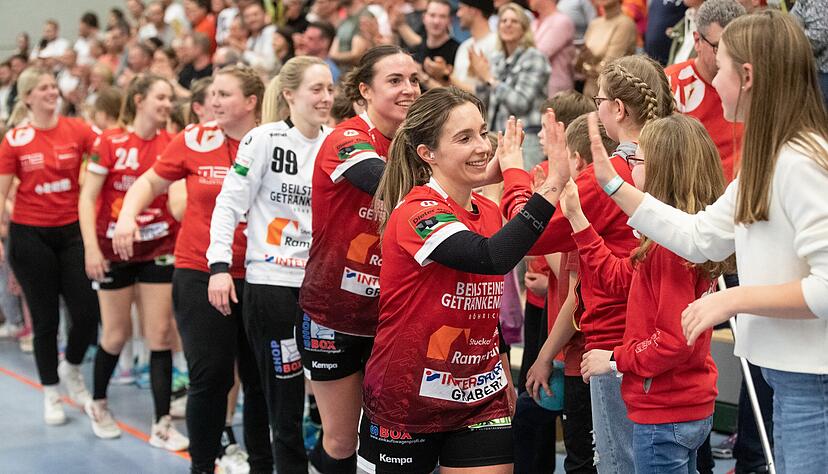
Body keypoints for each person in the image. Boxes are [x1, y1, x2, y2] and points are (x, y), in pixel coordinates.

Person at [587, 11, 828, 474]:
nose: (711, 81)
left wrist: (731, 300)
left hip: (811, 383)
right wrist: (614, 186)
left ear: (749, 76)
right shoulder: (771, 157)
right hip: (790, 377)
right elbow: (698, 237)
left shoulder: (800, 162)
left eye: (720, 67)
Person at [358, 87, 567, 474]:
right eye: (464, 137)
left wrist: (503, 371)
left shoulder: (486, 209)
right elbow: (492, 257)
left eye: (483, 132)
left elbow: (487, 302)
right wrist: (549, 181)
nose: (483, 146)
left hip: (479, 394)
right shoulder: (416, 212)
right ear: (427, 154)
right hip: (408, 396)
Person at [500, 54, 674, 474]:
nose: (596, 108)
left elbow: (529, 234)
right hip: (660, 329)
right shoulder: (670, 155)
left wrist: (514, 175)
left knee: (615, 461)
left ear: (617, 109)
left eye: (598, 100)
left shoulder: (610, 173)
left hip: (614, 338)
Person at [113, 65, 274, 474]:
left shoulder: (274, 141)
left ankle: (260, 464)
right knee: (210, 378)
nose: (213, 102)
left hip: (262, 274)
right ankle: (202, 466)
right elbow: (148, 184)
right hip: (200, 272)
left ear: (251, 102)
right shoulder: (194, 138)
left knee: (258, 382)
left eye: (224, 94)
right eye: (212, 94)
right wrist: (129, 217)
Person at [571, 113, 728, 473]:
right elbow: (617, 277)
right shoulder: (676, 237)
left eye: (636, 160)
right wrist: (580, 222)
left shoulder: (668, 250)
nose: (629, 166)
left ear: (660, 171)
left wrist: (614, 360)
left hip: (664, 411)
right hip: (685, 405)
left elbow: (672, 340)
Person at [207, 56, 335, 474]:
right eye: (316, 89)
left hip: (323, 291)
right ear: (289, 95)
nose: (326, 97)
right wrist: (219, 266)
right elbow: (229, 204)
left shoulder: (337, 143)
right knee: (284, 404)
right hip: (273, 286)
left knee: (334, 404)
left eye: (330, 89)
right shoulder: (263, 140)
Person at [298, 44, 420, 473]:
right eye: (395, 80)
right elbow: (383, 182)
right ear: (365, 90)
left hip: (392, 319)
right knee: (341, 438)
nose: (409, 89)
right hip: (336, 314)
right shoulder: (346, 137)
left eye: (414, 80)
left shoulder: (417, 148)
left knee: (387, 439)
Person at [78, 74, 187, 451]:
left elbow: (175, 199)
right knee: (116, 335)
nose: (167, 104)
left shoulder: (172, 143)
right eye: (160, 97)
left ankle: (161, 423)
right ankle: (99, 403)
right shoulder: (109, 142)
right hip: (114, 252)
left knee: (159, 335)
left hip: (158, 249)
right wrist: (91, 249)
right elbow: (88, 198)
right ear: (139, 100)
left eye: (170, 98)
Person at [0, 67, 100, 425]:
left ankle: (71, 366)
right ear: (27, 97)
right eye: (42, 87)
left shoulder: (77, 129)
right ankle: (51, 393)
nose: (50, 91)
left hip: (71, 232)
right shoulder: (16, 139)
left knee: (88, 314)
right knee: (45, 321)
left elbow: (106, 153)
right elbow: (1, 193)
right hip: (30, 237)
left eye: (53, 86)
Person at [665, 0, 745, 182]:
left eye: (737, 46)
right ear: (697, 41)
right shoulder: (672, 84)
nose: (729, 55)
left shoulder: (754, 81)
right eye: (718, 47)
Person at [472, 2, 551, 170]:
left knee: (525, 190)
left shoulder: (534, 57)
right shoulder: (497, 58)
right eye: (504, 20)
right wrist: (481, 79)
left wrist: (490, 79)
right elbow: (483, 103)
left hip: (526, 138)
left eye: (514, 21)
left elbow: (520, 102)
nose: (508, 24)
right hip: (497, 138)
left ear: (524, 28)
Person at [577, 0, 637, 98]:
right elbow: (579, 65)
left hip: (610, 94)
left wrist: (588, 66)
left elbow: (610, 67)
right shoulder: (594, 23)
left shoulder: (625, 24)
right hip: (588, 92)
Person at [530, 0, 576, 96]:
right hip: (535, 88)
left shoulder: (562, 21)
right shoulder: (534, 23)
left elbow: (540, 54)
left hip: (556, 90)